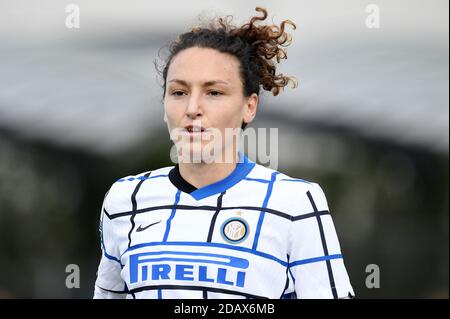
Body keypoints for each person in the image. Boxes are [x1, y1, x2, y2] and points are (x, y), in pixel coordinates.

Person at [93, 7, 354, 299]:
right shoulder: (124, 199)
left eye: (214, 92)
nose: (192, 108)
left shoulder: (295, 203)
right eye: (178, 92)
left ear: (249, 107)